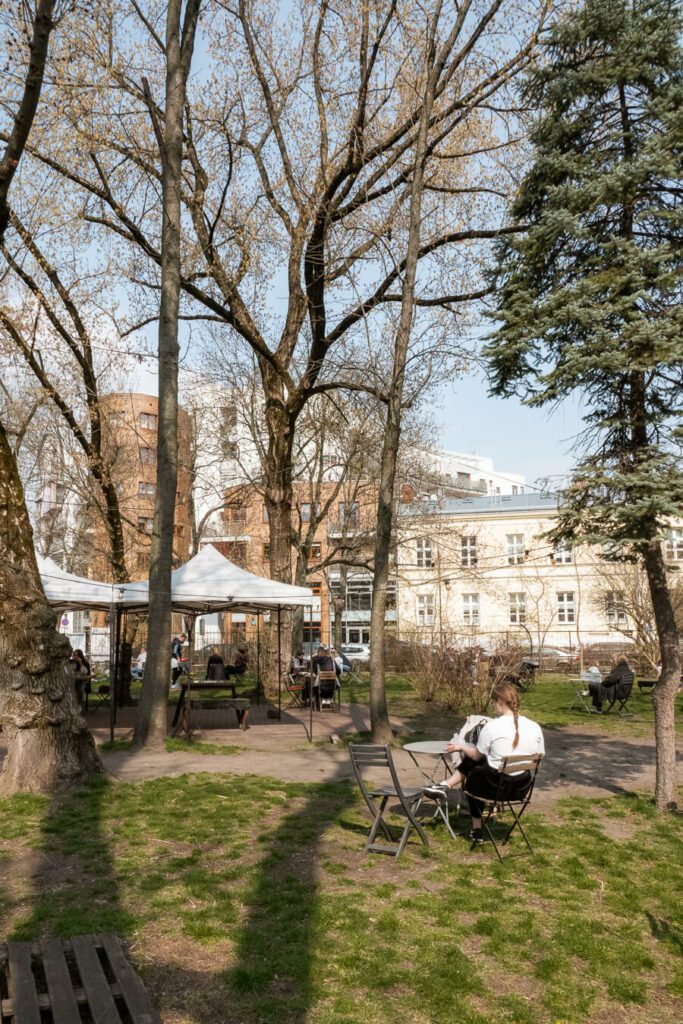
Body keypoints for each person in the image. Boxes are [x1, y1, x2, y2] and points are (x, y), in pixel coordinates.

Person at [423, 682, 544, 844]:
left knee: (474, 770)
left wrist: (460, 746)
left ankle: (477, 828)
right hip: (521, 788)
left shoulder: (492, 727)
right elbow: (539, 756)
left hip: (495, 788)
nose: (493, 705)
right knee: (481, 763)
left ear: (500, 701)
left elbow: (475, 754)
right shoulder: (534, 726)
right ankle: (444, 785)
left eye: (494, 701)